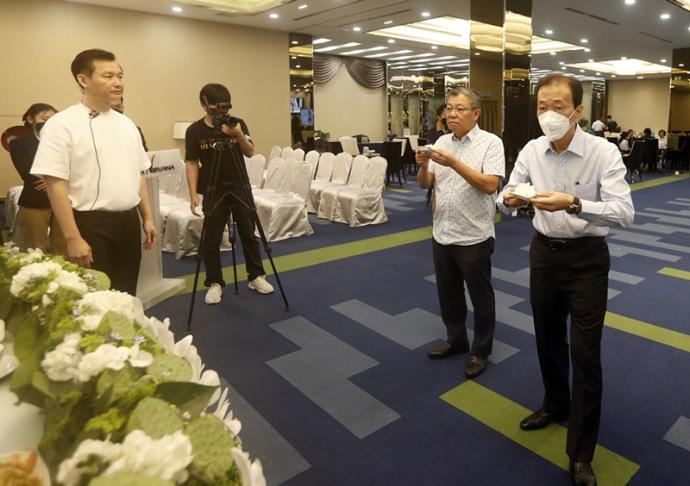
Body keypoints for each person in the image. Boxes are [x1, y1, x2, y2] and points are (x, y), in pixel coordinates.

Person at [498, 73, 634, 486]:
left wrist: (574, 203)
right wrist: (508, 198)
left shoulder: (602, 152)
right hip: (544, 254)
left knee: (585, 353)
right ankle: (555, 403)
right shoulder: (531, 149)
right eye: (542, 106)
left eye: (558, 106)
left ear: (578, 111)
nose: (549, 115)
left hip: (588, 259)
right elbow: (509, 192)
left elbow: (624, 213)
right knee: (547, 338)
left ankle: (581, 452)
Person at [31, 48, 157, 295]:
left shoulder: (127, 124)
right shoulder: (61, 124)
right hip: (90, 223)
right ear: (83, 80)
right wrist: (72, 238)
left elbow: (138, 174)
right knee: (94, 300)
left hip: (128, 220)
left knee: (126, 294)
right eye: (108, 76)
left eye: (120, 76)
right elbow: (55, 184)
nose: (118, 83)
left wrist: (148, 218)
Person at [416, 87, 505, 379]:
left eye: (459, 109)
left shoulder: (491, 143)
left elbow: (490, 185)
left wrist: (454, 162)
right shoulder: (442, 141)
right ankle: (456, 339)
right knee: (448, 293)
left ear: (475, 113)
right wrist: (424, 165)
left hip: (474, 235)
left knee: (481, 297)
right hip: (442, 232)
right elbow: (426, 184)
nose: (451, 114)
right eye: (449, 108)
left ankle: (481, 350)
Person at [185, 83, 273, 304]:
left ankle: (256, 275)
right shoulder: (194, 131)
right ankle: (215, 283)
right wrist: (192, 194)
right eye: (216, 106)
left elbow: (251, 152)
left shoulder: (237, 123)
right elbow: (192, 162)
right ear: (204, 105)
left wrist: (238, 134)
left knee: (248, 234)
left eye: (225, 107)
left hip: (239, 187)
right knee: (211, 239)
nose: (221, 112)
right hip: (213, 189)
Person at [10, 103, 67, 256]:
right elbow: (28, 173)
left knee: (63, 249)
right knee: (35, 250)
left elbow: (74, 168)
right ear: (30, 119)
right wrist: (58, 178)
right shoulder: (18, 144)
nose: (49, 123)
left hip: (63, 201)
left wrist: (56, 179)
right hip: (35, 201)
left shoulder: (63, 143)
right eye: (45, 118)